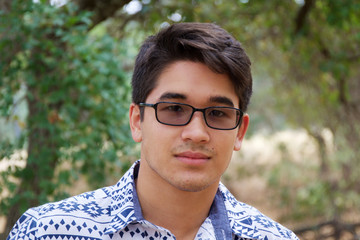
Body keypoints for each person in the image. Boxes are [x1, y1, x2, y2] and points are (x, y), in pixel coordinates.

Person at [7, 22, 298, 240]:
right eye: (174, 109)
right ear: (137, 121)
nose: (196, 133)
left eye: (218, 113)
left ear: (239, 131)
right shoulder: (48, 232)